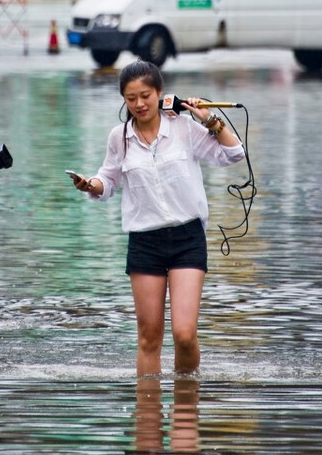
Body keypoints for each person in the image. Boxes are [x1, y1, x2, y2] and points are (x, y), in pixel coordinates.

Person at [67, 60, 245, 377]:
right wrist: (90, 184)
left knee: (184, 334)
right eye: (131, 98)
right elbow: (106, 182)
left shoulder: (184, 128)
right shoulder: (119, 137)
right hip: (144, 243)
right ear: (123, 99)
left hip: (187, 239)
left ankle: (186, 403)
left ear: (160, 93)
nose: (139, 104)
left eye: (145, 95)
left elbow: (233, 154)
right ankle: (147, 417)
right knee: (149, 338)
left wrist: (210, 121)